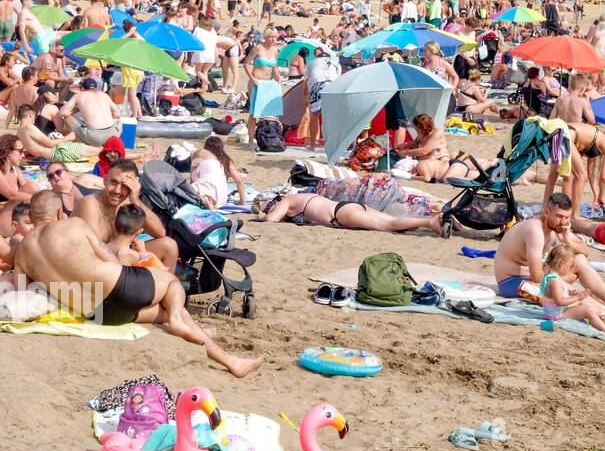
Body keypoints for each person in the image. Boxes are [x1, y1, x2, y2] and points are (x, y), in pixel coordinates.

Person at [15, 192, 261, 376]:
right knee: (171, 284)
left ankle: (227, 357)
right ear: (59, 213)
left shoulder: (23, 253)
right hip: (119, 286)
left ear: (31, 216)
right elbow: (110, 259)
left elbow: (23, 290)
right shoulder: (73, 224)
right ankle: (186, 326)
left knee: (162, 312)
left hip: (99, 313)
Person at [492, 193, 605, 312]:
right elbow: (537, 277)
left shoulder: (556, 228)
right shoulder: (534, 230)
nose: (563, 221)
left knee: (579, 260)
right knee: (561, 286)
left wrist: (566, 238)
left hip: (528, 275)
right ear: (546, 212)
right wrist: (565, 277)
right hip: (511, 282)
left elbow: (585, 252)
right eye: (559, 216)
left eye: (567, 217)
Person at [73, 160, 179, 272]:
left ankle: (166, 286)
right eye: (114, 182)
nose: (118, 191)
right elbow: (94, 253)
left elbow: (160, 233)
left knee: (169, 245)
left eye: (125, 185)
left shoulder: (126, 203)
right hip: (89, 266)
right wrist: (135, 259)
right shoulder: (90, 204)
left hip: (115, 257)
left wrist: (136, 200)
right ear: (105, 181)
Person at [538, 242, 605, 340]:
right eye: (571, 266)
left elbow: (552, 294)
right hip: (556, 315)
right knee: (588, 310)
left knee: (581, 305)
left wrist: (570, 293)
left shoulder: (548, 275)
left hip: (551, 312)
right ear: (562, 264)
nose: (571, 269)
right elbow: (559, 301)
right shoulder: (555, 281)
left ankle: (602, 315)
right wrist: (577, 297)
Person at [258, 190, 443, 233]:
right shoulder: (299, 197)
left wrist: (263, 215)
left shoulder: (287, 200)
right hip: (346, 206)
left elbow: (271, 220)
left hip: (341, 215)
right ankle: (430, 220)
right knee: (393, 221)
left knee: (389, 225)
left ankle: (429, 221)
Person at [190, 136, 246, 208]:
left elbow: (192, 179)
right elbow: (239, 181)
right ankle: (208, 200)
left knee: (196, 188)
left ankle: (205, 199)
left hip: (205, 188)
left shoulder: (201, 155)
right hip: (221, 198)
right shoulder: (226, 160)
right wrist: (242, 201)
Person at [107, 203, 165, 271]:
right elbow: (164, 275)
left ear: (113, 224)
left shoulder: (99, 249)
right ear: (139, 232)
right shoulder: (137, 257)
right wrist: (144, 252)